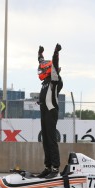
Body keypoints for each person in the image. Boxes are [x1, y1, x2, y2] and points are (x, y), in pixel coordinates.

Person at [37, 43, 63, 179]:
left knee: (51, 140)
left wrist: (55, 52)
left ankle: (55, 168)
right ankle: (47, 167)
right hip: (43, 111)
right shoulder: (45, 81)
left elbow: (54, 64)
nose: (40, 71)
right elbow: (41, 62)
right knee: (45, 140)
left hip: (51, 112)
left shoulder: (53, 80)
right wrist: (40, 53)